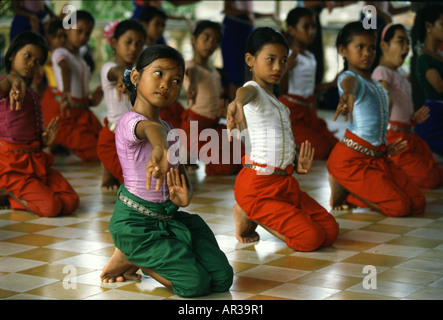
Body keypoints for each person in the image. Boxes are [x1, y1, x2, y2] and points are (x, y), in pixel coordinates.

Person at [100, 45, 233, 297]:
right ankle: (132, 255)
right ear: (137, 77)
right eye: (158, 74)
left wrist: (185, 195)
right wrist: (160, 148)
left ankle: (135, 254)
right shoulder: (130, 121)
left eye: (176, 80)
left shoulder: (169, 128)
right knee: (194, 285)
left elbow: (180, 175)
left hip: (168, 218)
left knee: (222, 279)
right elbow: (150, 129)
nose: (166, 84)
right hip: (135, 224)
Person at [226, 27, 339, 252]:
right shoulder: (254, 91)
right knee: (311, 239)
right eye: (271, 59)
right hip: (258, 185)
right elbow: (243, 93)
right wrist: (236, 103)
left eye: (283, 60)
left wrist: (296, 163)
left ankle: (251, 212)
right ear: (250, 60)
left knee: (331, 231)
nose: (278, 67)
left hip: (284, 184)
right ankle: (249, 212)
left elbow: (280, 143)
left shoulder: (279, 103)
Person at [327, 21, 425, 217]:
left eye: (371, 47)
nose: (367, 53)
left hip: (378, 157)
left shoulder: (377, 84)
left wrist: (383, 147)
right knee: (400, 207)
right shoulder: (350, 78)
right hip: (351, 160)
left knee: (418, 202)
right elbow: (349, 83)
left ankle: (349, 185)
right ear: (343, 50)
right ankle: (347, 189)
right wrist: (346, 93)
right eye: (360, 47)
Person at [0, 32, 79, 217]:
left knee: (70, 201)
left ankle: (20, 193)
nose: (31, 63)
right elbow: (9, 82)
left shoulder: (33, 95)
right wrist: (13, 81)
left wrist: (44, 141)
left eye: (38, 61)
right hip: (11, 165)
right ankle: (8, 190)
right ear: (12, 55)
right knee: (50, 207)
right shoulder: (6, 87)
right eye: (27, 56)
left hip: (36, 160)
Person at [372, 23, 443, 190]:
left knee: (438, 173)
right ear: (384, 45)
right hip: (393, 137)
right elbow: (384, 98)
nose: (406, 47)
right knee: (429, 178)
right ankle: (386, 170)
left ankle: (394, 170)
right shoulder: (382, 72)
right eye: (400, 41)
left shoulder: (400, 73)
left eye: (407, 43)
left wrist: (412, 119)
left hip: (408, 135)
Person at [181, 20, 244, 175]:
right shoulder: (189, 66)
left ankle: (192, 154)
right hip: (195, 129)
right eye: (206, 38)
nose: (210, 43)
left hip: (214, 127)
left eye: (215, 40)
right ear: (193, 39)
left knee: (242, 155)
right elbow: (192, 73)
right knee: (225, 167)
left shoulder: (215, 72)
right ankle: (187, 153)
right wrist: (193, 85)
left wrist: (222, 112)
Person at [278, 7, 338, 160]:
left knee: (336, 146)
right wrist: (286, 70)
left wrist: (331, 84)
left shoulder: (311, 56)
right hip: (292, 113)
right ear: (291, 30)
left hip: (307, 112)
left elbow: (309, 90)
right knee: (320, 150)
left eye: (314, 27)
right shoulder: (288, 56)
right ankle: (285, 142)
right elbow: (282, 90)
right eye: (306, 27)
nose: (312, 31)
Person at [45, 10, 103, 162]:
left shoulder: (81, 55)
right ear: (66, 29)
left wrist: (91, 101)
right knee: (97, 152)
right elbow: (65, 68)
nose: (83, 36)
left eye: (87, 33)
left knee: (108, 141)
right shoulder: (60, 52)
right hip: (66, 113)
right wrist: (66, 92)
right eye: (79, 31)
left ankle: (62, 146)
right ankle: (64, 143)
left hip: (82, 113)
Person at [98, 20, 146, 191]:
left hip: (136, 139)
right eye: (128, 42)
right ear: (114, 43)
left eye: (139, 44)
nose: (133, 48)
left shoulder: (140, 74)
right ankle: (108, 169)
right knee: (137, 185)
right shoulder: (108, 68)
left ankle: (111, 169)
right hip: (112, 139)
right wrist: (123, 77)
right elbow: (116, 72)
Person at [221, 1, 280, 101]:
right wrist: (247, 13)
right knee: (234, 74)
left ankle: (244, 108)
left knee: (247, 70)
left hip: (246, 32)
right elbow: (228, 10)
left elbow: (250, 14)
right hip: (233, 33)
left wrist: (269, 14)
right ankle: (234, 107)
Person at [138, 5, 185, 129]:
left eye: (163, 26)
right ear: (144, 24)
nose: (160, 29)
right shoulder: (138, 52)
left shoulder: (162, 50)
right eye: (157, 24)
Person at [414, 4, 443, 156]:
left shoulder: (439, 56)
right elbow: (439, 86)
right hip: (434, 119)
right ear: (428, 26)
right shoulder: (425, 58)